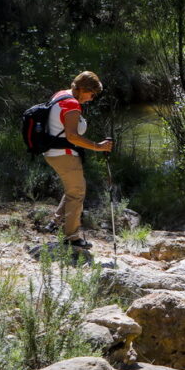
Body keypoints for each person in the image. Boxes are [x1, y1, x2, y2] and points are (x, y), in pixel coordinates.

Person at [43, 71, 113, 248]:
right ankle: (72, 239)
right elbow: (72, 136)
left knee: (73, 188)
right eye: (92, 94)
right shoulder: (72, 104)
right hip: (63, 155)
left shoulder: (61, 94)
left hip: (53, 152)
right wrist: (98, 146)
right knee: (77, 192)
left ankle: (56, 223)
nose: (91, 98)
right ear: (82, 89)